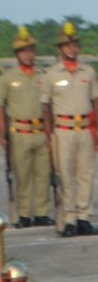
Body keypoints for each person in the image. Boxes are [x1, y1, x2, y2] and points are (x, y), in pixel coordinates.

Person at [40, 22, 98, 237]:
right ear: (60, 49)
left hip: (84, 128)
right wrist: (48, 133)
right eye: (67, 45)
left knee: (86, 174)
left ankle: (84, 217)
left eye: (75, 45)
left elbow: (97, 100)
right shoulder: (51, 75)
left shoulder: (87, 72)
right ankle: (69, 219)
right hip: (63, 129)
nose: (72, 49)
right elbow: (45, 106)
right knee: (66, 175)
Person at [0, 27, 53, 229]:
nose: (28, 54)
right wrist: (2, 134)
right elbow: (1, 106)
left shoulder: (43, 75)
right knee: (22, 175)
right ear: (17, 54)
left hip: (40, 131)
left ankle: (41, 213)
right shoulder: (8, 77)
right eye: (24, 51)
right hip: (19, 132)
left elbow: (49, 105)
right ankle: (23, 214)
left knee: (42, 175)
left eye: (31, 50)